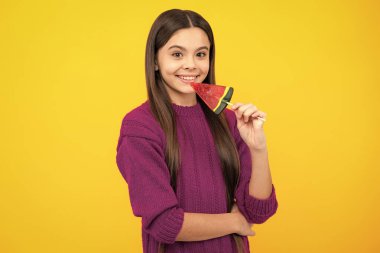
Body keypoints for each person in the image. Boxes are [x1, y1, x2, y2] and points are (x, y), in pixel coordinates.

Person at [116, 9, 278, 253]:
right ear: (155, 61)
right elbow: (165, 223)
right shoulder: (139, 126)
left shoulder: (231, 121)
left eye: (201, 54)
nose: (191, 65)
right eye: (177, 54)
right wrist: (235, 221)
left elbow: (259, 211)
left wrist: (258, 148)